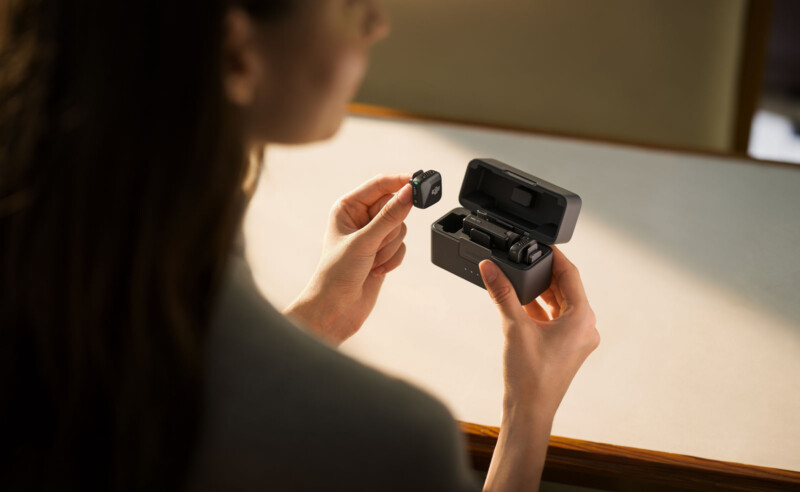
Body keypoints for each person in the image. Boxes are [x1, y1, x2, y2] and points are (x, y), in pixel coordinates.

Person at [0, 0, 600, 490]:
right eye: (346, 2)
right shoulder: (394, 442)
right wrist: (530, 410)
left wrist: (318, 317)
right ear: (237, 54)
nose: (377, 22)